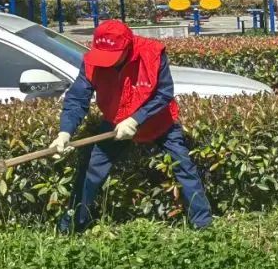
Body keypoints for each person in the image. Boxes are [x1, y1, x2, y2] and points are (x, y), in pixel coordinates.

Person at [51, 19, 213, 233]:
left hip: (158, 122)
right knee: (90, 170)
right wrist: (65, 132)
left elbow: (163, 93)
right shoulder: (92, 61)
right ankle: (71, 227)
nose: (107, 62)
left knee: (184, 167)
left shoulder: (152, 54)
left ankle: (203, 226)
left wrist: (136, 119)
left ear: (128, 46)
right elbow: (77, 99)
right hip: (115, 124)